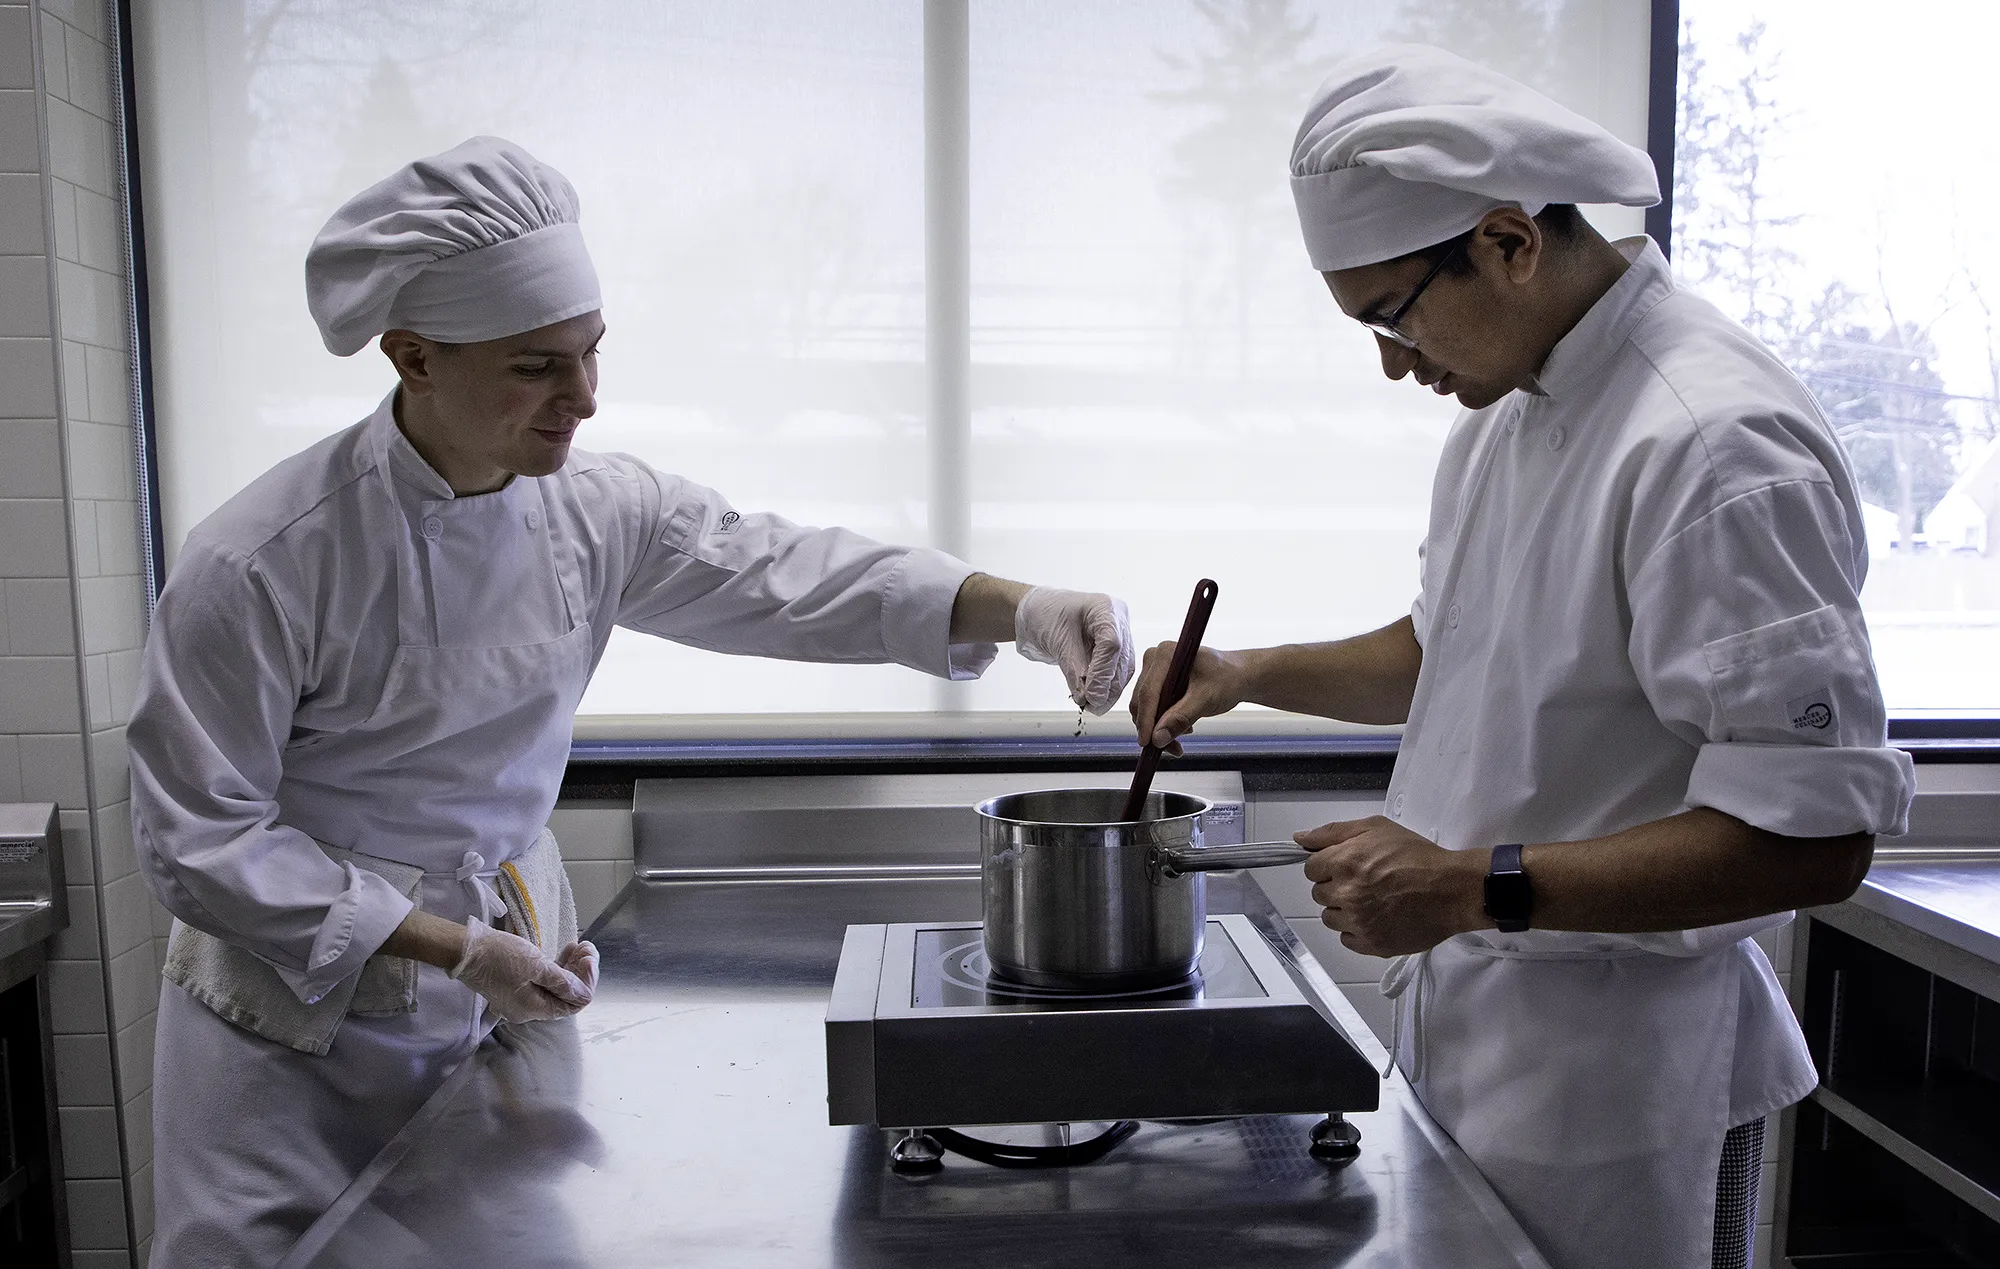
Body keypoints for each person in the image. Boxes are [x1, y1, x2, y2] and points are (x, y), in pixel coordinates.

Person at [130, 136, 1136, 1265]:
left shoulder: (596, 511)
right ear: (412, 356)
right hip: (294, 1037)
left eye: (592, 353)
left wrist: (1021, 605)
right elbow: (199, 841)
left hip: (506, 976)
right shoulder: (261, 561)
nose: (585, 400)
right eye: (535, 367)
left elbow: (789, 574)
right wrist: (444, 947)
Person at [1127, 46, 1914, 1269]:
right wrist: (1247, 671)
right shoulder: (1512, 411)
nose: (1392, 362)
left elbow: (1811, 837)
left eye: (1390, 317)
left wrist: (1465, 885)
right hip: (1485, 1052)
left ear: (1505, 241)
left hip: (1633, 1095)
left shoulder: (1710, 446)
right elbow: (1455, 652)